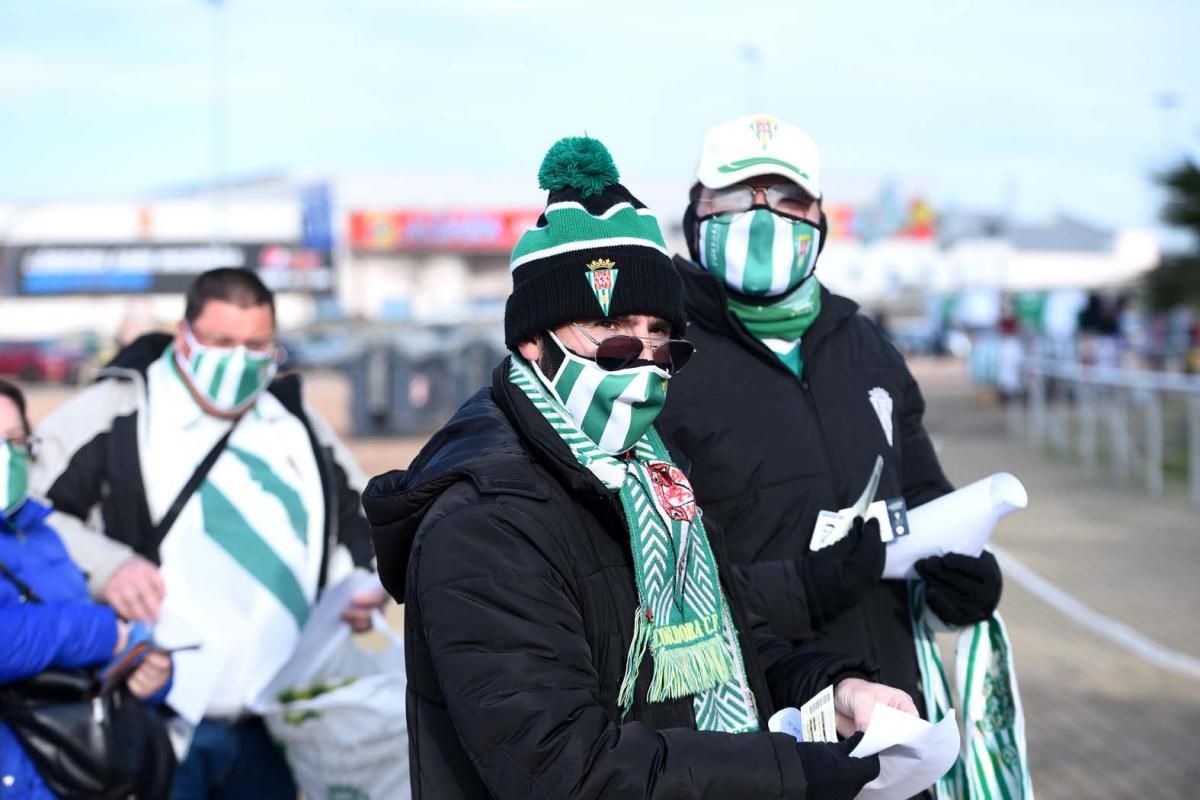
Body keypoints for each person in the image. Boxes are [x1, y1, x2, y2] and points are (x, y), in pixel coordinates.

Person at [364, 136, 922, 800]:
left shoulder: (656, 478)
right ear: (533, 342)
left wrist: (835, 690)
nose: (644, 363)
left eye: (662, 340)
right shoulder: (485, 520)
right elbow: (563, 770)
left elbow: (735, 645)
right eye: (616, 334)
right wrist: (786, 774)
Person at [657, 114, 1030, 798]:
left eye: (789, 200)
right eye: (739, 198)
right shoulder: (660, 364)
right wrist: (812, 583)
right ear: (696, 210)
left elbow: (924, 504)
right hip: (751, 742)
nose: (765, 217)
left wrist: (960, 583)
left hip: (893, 729)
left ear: (820, 217)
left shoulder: (868, 349)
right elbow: (661, 592)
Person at [29, 269, 384, 799]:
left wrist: (365, 581)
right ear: (184, 336)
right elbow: (25, 514)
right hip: (158, 721)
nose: (239, 359)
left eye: (255, 345)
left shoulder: (293, 415)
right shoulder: (119, 407)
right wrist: (108, 567)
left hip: (272, 724)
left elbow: (370, 515)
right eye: (221, 342)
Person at [0, 379, 173, 799]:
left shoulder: (42, 535)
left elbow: (89, 655)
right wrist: (107, 634)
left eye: (14, 441)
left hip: (69, 775)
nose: (5, 456)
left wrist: (147, 670)